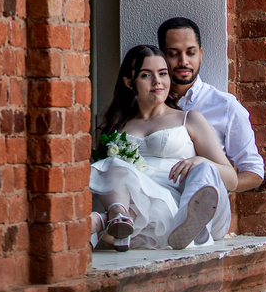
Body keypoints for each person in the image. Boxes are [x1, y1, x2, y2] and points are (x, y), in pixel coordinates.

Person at [88, 45, 237, 251]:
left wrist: (200, 160)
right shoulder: (116, 128)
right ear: (129, 82)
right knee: (111, 165)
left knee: (205, 170)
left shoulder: (189, 119)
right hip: (151, 215)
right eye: (146, 75)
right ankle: (116, 219)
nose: (157, 81)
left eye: (163, 73)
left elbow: (232, 179)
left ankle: (188, 222)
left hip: (201, 211)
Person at [158, 17, 265, 207]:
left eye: (190, 53)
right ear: (162, 57)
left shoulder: (225, 106)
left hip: (204, 209)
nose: (184, 62)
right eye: (174, 54)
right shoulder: (148, 103)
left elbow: (254, 173)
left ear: (200, 54)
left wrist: (215, 186)